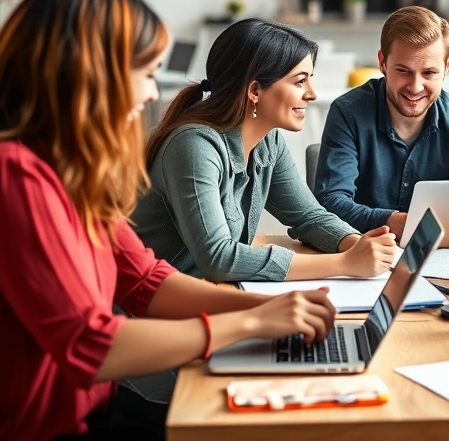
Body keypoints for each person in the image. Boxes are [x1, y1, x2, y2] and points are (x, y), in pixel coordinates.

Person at [0, 0, 337, 440]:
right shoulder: (10, 174)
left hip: (87, 416)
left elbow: (145, 282)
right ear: (88, 75)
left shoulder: (69, 172)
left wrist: (270, 308)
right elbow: (89, 343)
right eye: (144, 72)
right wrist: (251, 323)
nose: (150, 93)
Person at [135, 18, 398, 285]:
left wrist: (357, 245)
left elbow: (309, 216)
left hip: (202, 297)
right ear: (254, 91)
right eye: (299, 82)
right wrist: (345, 263)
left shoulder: (268, 142)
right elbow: (218, 258)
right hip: (144, 314)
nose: (312, 94)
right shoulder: (193, 147)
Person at [315, 6, 449, 238]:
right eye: (403, 70)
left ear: (447, 66)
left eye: (429, 73)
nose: (415, 87)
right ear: (382, 62)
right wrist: (389, 220)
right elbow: (329, 202)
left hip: (439, 255)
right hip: (360, 253)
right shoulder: (348, 113)